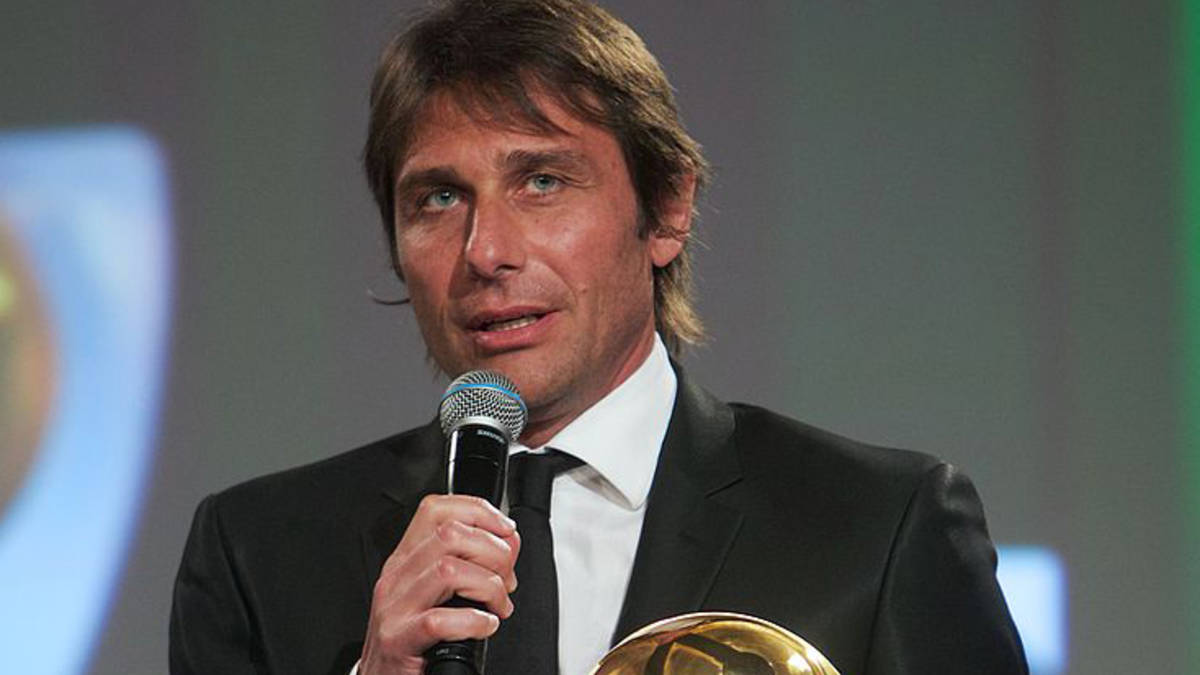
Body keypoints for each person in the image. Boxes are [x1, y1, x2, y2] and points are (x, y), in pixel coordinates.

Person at [169, 1, 1028, 673]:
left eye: (542, 181)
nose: (485, 251)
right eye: (438, 198)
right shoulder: (258, 553)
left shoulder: (878, 527)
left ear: (668, 209)